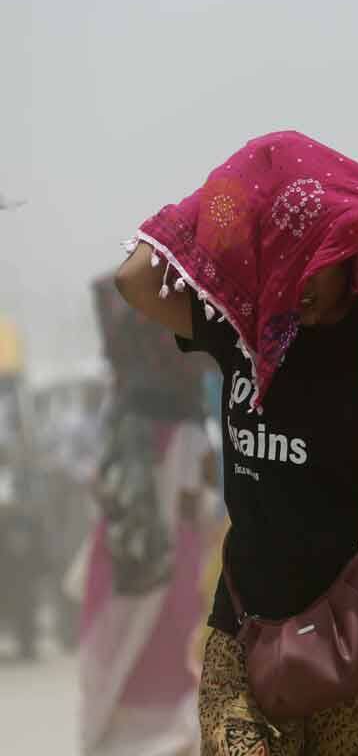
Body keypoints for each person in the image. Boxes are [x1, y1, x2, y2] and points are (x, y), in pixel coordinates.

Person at [114, 130, 358, 756]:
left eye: (313, 254)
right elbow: (134, 279)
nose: (297, 274)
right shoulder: (242, 324)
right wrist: (243, 182)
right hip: (245, 626)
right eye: (281, 250)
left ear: (346, 248)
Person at [80, 275, 216, 756]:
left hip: (124, 563)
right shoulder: (182, 432)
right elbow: (197, 506)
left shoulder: (122, 424)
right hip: (166, 568)